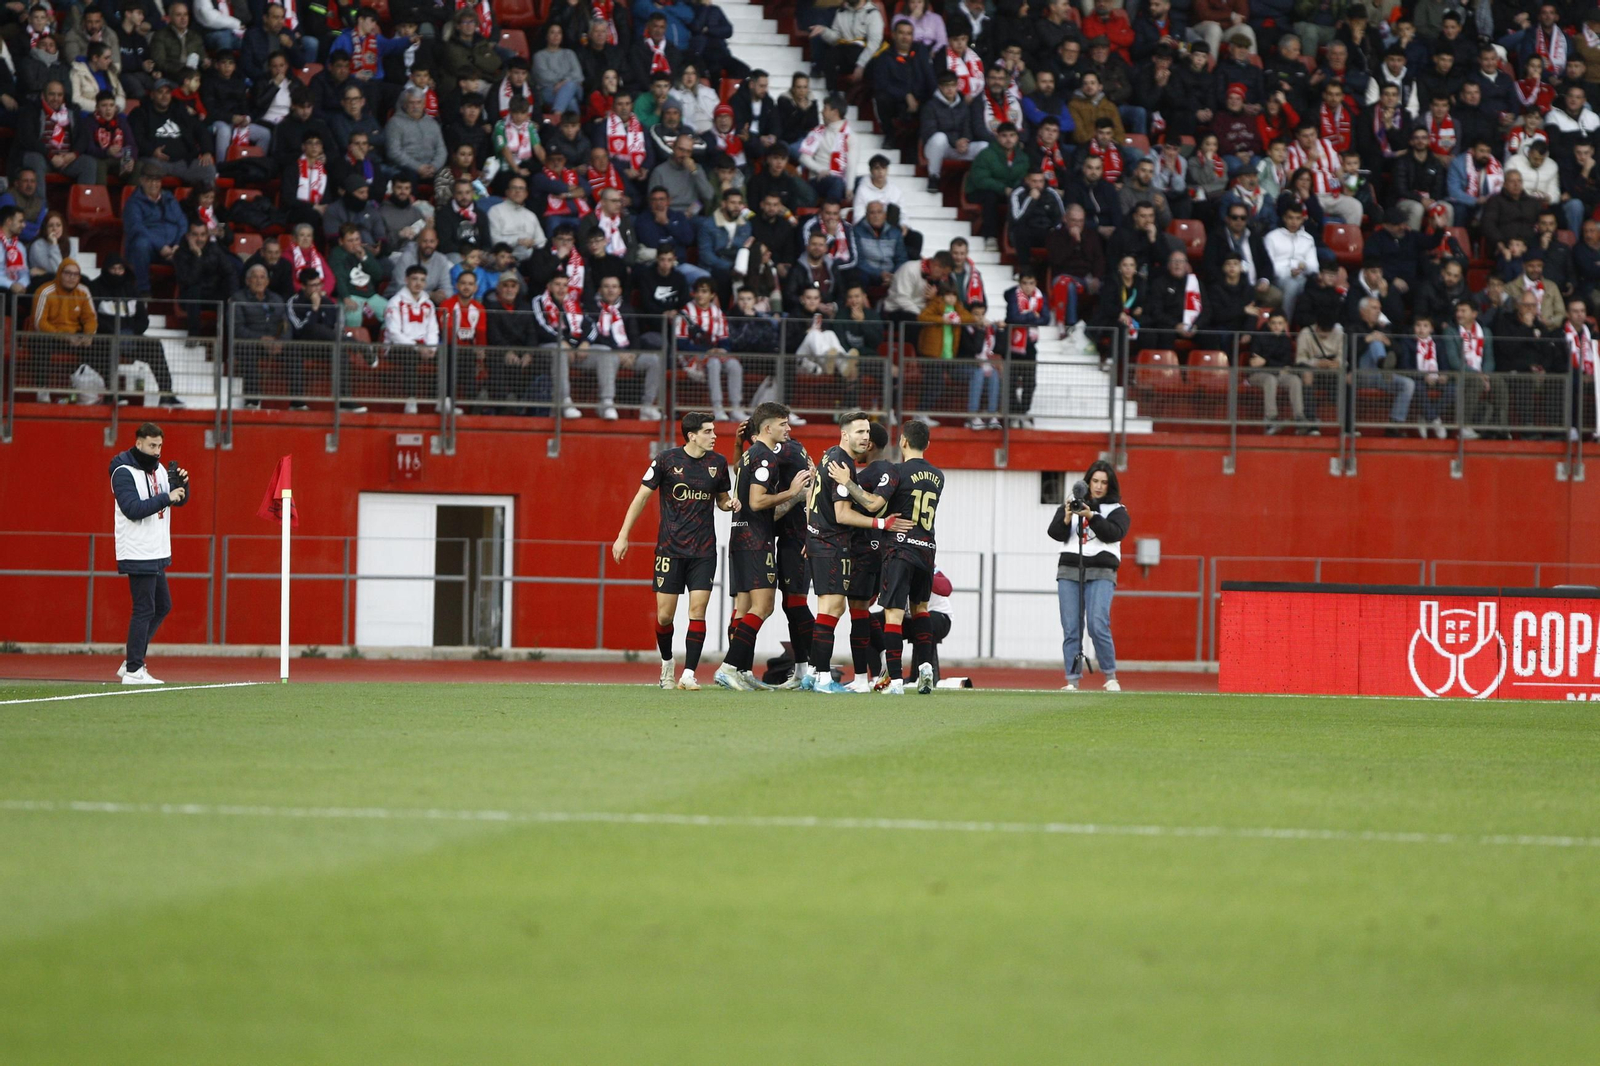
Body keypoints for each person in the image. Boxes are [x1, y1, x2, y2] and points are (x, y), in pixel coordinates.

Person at [612, 412, 735, 690]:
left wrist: (730, 505)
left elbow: (722, 500)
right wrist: (623, 536)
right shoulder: (666, 460)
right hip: (670, 550)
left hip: (704, 550)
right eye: (708, 431)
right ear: (692, 436)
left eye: (713, 431)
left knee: (697, 610)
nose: (714, 436)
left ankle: (689, 673)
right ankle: (667, 662)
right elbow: (641, 496)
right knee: (665, 616)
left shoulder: (718, 463)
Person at [792, 412, 905, 694]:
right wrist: (881, 523)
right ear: (845, 434)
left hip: (824, 542)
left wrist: (811, 532)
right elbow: (843, 514)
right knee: (831, 609)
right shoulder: (842, 463)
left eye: (867, 432)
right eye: (858, 432)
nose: (865, 436)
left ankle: (816, 676)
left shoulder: (831, 457)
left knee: (833, 610)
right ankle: (821, 679)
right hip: (832, 544)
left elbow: (813, 500)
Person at [717, 403, 814, 691]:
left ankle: (742, 671)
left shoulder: (748, 454)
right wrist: (794, 492)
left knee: (744, 606)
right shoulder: (765, 457)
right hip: (757, 540)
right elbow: (757, 501)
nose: (789, 429)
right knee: (764, 606)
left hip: (742, 536)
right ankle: (729, 668)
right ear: (768, 428)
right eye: (784, 424)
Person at [110, 422, 190, 686]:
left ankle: (132, 662)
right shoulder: (122, 471)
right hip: (137, 549)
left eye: (160, 446)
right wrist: (168, 497)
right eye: (152, 445)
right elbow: (132, 509)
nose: (157, 451)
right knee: (144, 608)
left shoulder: (158, 469)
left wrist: (182, 488)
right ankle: (134, 669)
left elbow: (176, 500)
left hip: (155, 549)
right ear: (139, 443)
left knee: (162, 605)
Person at [1047, 460, 1128, 693]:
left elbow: (1114, 533)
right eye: (1095, 481)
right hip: (1070, 569)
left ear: (1110, 484)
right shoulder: (1072, 504)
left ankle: (1110, 676)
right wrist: (1066, 516)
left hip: (1102, 570)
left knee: (1097, 623)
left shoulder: (1118, 510)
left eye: (1104, 482)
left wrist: (1091, 515)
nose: (1099, 486)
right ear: (1087, 482)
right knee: (1071, 626)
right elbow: (1055, 533)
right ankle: (1072, 679)